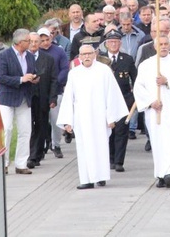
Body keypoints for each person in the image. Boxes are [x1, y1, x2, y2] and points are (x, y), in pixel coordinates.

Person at [56, 44, 128, 189]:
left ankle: (100, 177)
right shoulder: (74, 73)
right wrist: (67, 121)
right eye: (83, 54)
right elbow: (69, 97)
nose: (87, 57)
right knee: (83, 148)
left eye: (89, 53)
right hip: (81, 117)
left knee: (100, 146)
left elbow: (112, 95)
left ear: (95, 54)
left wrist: (111, 117)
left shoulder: (104, 71)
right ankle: (86, 179)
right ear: (79, 56)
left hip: (100, 115)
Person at [134, 35, 170, 188]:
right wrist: (151, 102)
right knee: (157, 140)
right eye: (161, 44)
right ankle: (160, 173)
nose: (164, 46)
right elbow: (139, 87)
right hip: (154, 110)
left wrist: (168, 82)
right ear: (155, 46)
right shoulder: (146, 65)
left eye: (166, 44)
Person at [0, 28, 39, 175]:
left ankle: (21, 164)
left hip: (24, 97)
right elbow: (1, 77)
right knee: (7, 129)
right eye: (28, 40)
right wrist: (21, 79)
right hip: (7, 97)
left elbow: (32, 72)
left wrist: (34, 78)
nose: (31, 43)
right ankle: (4, 163)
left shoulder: (30, 57)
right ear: (20, 42)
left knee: (25, 130)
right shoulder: (4, 56)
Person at [100, 29, 137, 173]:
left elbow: (136, 79)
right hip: (106, 102)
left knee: (122, 131)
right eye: (111, 42)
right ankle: (109, 158)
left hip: (123, 100)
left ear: (120, 43)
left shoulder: (127, 59)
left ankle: (119, 161)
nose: (113, 44)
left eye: (116, 42)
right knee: (109, 131)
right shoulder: (101, 60)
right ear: (106, 44)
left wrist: (133, 98)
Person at [27, 31, 58, 169]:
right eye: (30, 41)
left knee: (41, 125)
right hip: (27, 98)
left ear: (40, 43)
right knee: (29, 126)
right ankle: (29, 154)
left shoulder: (48, 59)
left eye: (36, 42)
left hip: (43, 97)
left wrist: (52, 98)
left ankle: (36, 155)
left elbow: (53, 80)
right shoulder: (24, 58)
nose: (33, 44)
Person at [38, 27, 69, 159]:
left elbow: (64, 68)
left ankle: (56, 144)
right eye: (42, 40)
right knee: (41, 121)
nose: (45, 43)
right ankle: (44, 143)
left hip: (56, 90)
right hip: (40, 91)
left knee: (56, 120)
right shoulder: (35, 53)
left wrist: (56, 83)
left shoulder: (59, 51)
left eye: (47, 39)